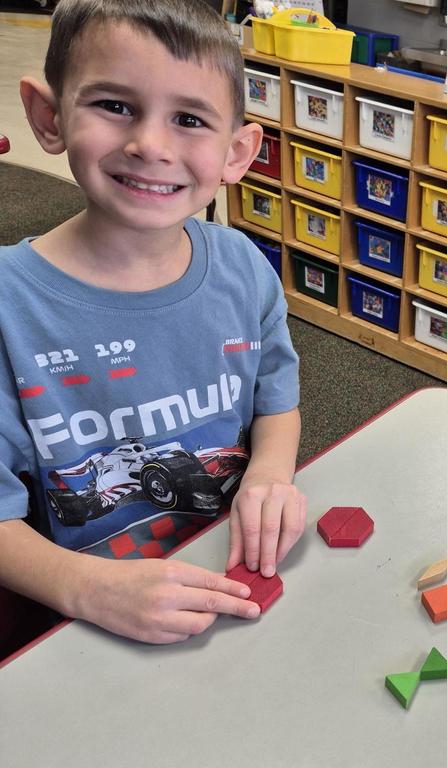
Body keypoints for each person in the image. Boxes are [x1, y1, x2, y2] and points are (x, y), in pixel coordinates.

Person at [0, 0, 307, 644]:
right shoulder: (9, 307)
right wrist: (82, 586)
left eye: (190, 119)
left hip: (233, 564)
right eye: (114, 105)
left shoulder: (243, 266)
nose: (151, 145)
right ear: (48, 116)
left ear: (237, 152)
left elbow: (275, 402)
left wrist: (271, 474)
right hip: (88, 609)